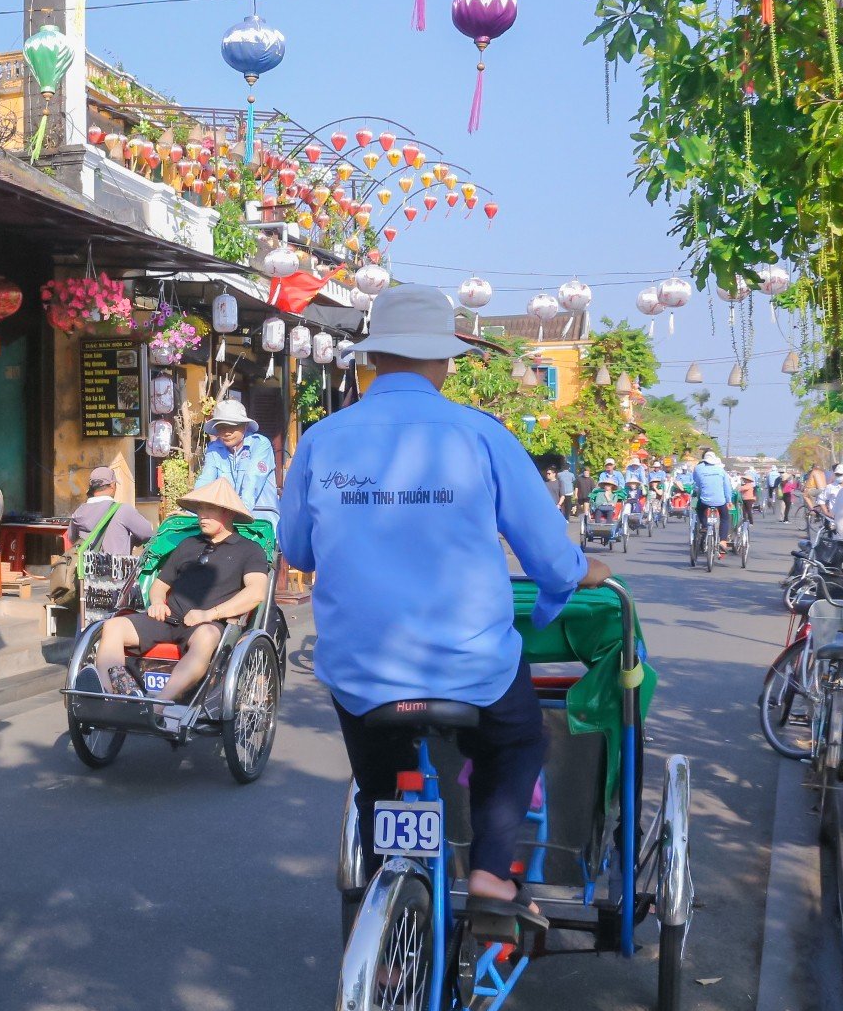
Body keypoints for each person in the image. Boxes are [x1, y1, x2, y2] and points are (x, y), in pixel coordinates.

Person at [279, 286, 609, 933]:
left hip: (360, 669)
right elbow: (547, 553)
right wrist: (578, 573)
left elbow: (296, 549)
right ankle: (489, 873)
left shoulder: (322, 440)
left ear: (376, 360)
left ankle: (387, 893)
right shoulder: (479, 434)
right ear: (444, 362)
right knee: (516, 742)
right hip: (471, 665)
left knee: (382, 786)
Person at [89, 478, 270, 718]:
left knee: (206, 636)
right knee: (112, 626)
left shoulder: (249, 550)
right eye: (199, 510)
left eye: (209, 510)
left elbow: (255, 592)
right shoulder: (188, 544)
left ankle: (158, 705)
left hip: (208, 624)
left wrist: (210, 614)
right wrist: (156, 603)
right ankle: (113, 693)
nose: (201, 516)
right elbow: (160, 585)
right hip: (168, 617)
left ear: (226, 513)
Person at [193, 398, 279, 525]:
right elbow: (205, 481)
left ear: (244, 426)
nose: (227, 432)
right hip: (228, 522)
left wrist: (241, 512)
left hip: (262, 520)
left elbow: (252, 480)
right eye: (221, 427)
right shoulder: (214, 449)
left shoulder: (260, 444)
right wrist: (192, 509)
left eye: (232, 426)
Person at [67, 465, 155, 558]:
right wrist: (130, 540)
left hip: (86, 570)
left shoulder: (79, 512)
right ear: (112, 485)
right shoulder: (123, 510)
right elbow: (147, 534)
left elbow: (72, 538)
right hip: (115, 570)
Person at [692, 449, 735, 549]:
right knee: (725, 518)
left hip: (705, 500)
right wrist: (729, 501)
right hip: (720, 501)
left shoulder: (698, 468)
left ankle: (705, 526)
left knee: (699, 509)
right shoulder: (721, 470)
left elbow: (697, 483)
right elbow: (727, 487)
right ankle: (723, 541)